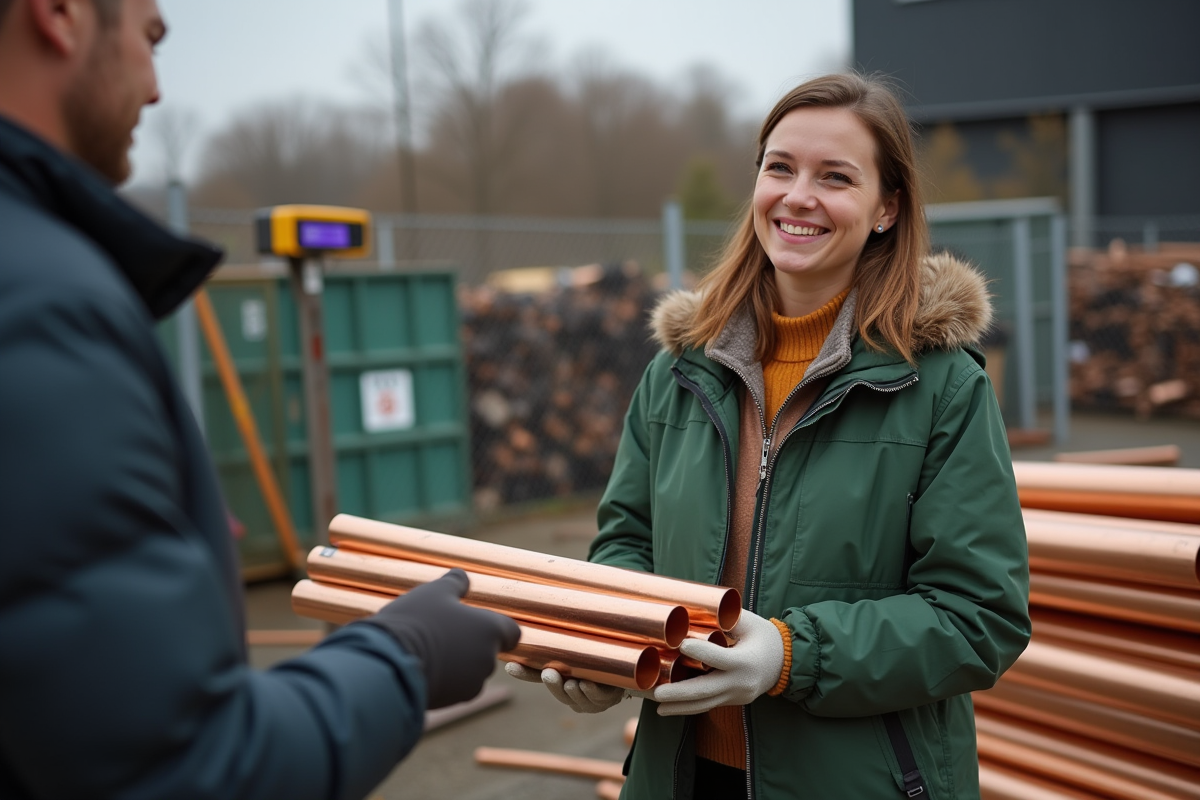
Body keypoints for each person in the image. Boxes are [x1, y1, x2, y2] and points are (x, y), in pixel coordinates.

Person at [0, 0, 519, 797]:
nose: (157, 88)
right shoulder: (45, 304)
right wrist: (404, 656)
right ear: (61, 15)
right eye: (151, 37)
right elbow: (185, 768)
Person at [508, 73, 1031, 799]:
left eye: (835, 177)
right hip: (683, 776)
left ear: (886, 209)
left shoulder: (941, 385)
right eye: (779, 167)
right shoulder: (679, 371)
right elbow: (627, 544)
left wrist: (790, 656)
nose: (797, 196)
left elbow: (979, 618)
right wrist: (605, 654)